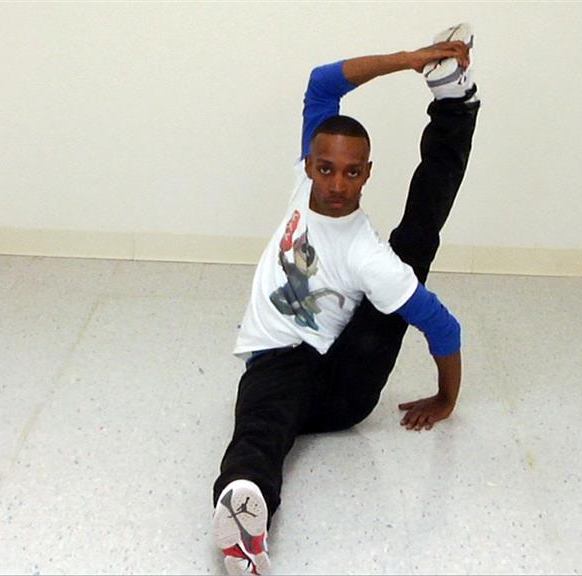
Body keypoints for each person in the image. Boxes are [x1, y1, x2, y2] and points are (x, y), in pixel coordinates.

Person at [212, 23, 480, 575]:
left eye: (352, 173)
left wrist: (445, 398)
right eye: (327, 169)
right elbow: (322, 84)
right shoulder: (302, 184)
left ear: (367, 174)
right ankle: (245, 522)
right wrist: (408, 58)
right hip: (282, 361)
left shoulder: (366, 255)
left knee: (410, 249)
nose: (337, 185)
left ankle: (455, 105)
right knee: (261, 423)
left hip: (344, 389)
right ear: (309, 164)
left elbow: (443, 326)